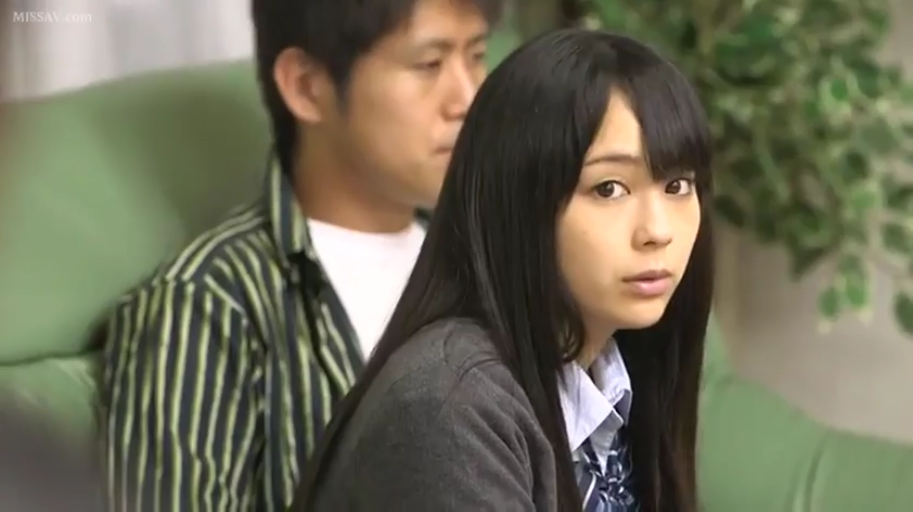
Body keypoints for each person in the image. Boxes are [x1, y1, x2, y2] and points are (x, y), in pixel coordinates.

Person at [102, 0, 505, 510]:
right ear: (306, 86)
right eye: (429, 64)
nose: (469, 98)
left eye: (476, 56)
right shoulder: (206, 307)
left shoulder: (489, 258)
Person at [293, 28, 714, 512]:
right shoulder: (451, 405)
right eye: (609, 189)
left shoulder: (616, 372)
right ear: (520, 202)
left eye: (677, 186)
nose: (657, 231)